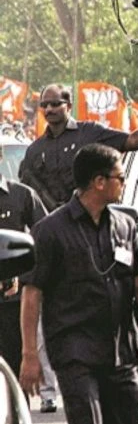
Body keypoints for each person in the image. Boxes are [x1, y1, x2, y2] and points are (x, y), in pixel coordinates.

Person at [19, 143, 138, 424]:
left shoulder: (125, 225)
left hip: (121, 352)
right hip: (75, 353)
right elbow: (32, 294)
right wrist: (30, 354)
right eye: (120, 178)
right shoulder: (50, 231)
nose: (124, 183)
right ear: (99, 182)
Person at [18, 84, 138, 211]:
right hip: (54, 230)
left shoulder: (90, 133)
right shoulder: (35, 150)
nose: (48, 109)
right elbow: (29, 198)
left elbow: (132, 141)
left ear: (68, 105)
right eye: (44, 105)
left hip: (90, 223)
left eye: (55, 104)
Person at [0, 144, 47, 381]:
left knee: (12, 379)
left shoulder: (22, 195)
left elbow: (47, 242)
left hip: (11, 305)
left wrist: (22, 273)